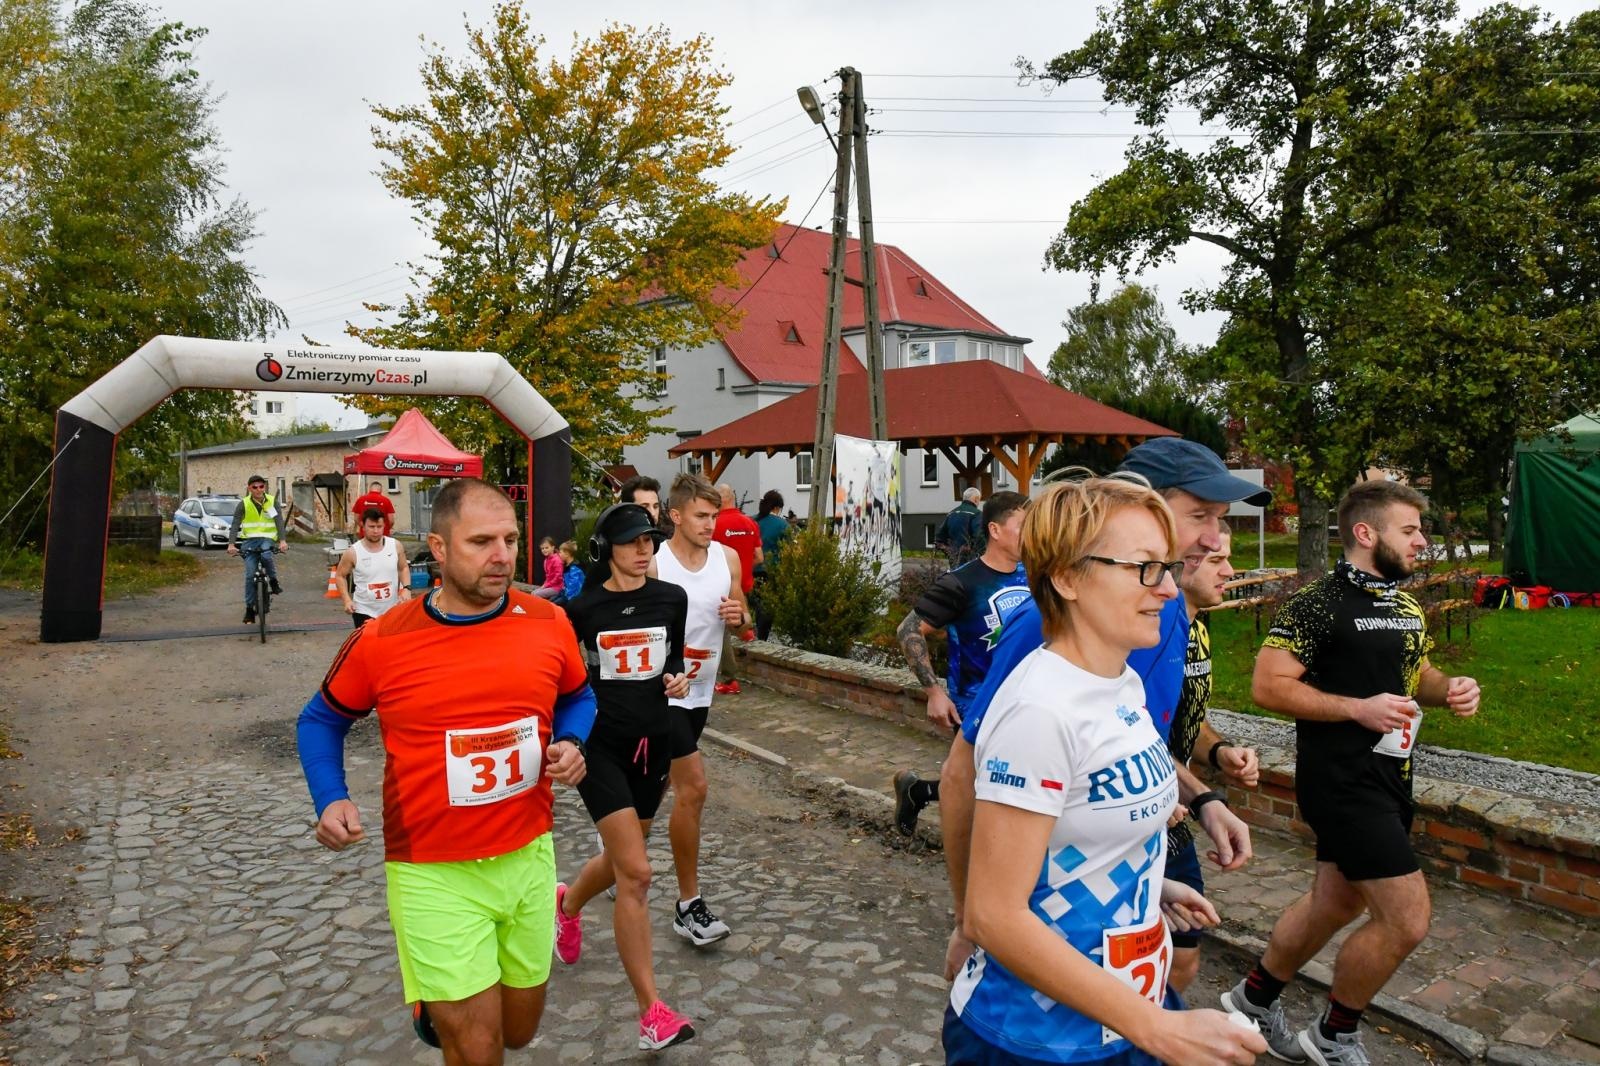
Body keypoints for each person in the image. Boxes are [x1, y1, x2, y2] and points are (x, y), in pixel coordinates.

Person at [949, 477, 1266, 1066]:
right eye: (1145, 568)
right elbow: (992, 914)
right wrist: (1160, 1030)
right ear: (1067, 577)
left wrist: (1146, 888)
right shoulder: (1040, 711)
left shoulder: (1119, 682)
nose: (1169, 589)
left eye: (1168, 567)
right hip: (1036, 1039)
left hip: (1118, 1010)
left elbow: (1076, 826)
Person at [294, 478, 595, 1064]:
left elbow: (579, 696)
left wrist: (571, 740)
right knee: (479, 1050)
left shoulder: (547, 622)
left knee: (518, 1031)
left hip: (529, 857)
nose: (503, 555)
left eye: (510, 539)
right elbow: (319, 720)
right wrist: (330, 798)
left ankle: (435, 1003)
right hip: (432, 873)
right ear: (438, 546)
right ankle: (441, 1002)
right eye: (481, 541)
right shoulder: (383, 639)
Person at [1224, 480, 1481, 1065]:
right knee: (1406, 919)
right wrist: (1355, 708)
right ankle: (1334, 1036)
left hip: (1391, 778)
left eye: (1421, 530)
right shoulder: (1317, 604)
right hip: (1341, 783)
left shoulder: (1405, 605)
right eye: (1410, 530)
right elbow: (1268, 685)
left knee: (1335, 903)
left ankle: (1253, 1000)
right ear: (1366, 534)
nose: (1422, 541)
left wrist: (1453, 690)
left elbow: (1420, 676)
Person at [553, 503, 697, 1050]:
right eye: (634, 540)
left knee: (620, 860)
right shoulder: (581, 610)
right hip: (600, 748)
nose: (645, 549)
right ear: (606, 548)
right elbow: (564, 684)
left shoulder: (671, 599)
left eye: (651, 540)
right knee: (636, 872)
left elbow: (674, 663)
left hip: (653, 745)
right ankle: (651, 1013)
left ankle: (566, 904)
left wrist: (678, 681)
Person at [890, 491, 1032, 835]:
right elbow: (908, 629)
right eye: (1024, 526)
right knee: (989, 785)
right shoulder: (961, 583)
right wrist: (934, 691)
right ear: (996, 531)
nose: (1032, 534)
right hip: (977, 702)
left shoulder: (1035, 575)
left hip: (1027, 700)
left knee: (998, 783)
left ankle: (918, 791)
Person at [650, 472, 750, 946]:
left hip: (702, 689)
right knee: (694, 788)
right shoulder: (654, 562)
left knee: (653, 800)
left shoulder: (726, 558)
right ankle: (689, 906)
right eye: (702, 516)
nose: (712, 524)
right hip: (660, 692)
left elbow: (743, 611)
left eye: (714, 515)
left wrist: (740, 615)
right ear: (676, 516)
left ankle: (574, 895)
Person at [1165, 523, 1261, 993]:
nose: (1231, 570)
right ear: (1183, 562)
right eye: (1220, 560)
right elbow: (1138, 732)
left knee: (1184, 955)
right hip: (1144, 813)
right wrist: (1206, 800)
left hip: (1178, 811)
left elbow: (1189, 722)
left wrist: (1221, 752)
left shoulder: (1198, 624)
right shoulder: (1155, 632)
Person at [710, 483, 762, 693]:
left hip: (721, 588)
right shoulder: (750, 523)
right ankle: (746, 631)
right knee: (739, 621)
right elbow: (759, 557)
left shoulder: (715, 524)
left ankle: (730, 680)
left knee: (719, 631)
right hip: (744, 585)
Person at [336, 507, 413, 628]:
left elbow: (403, 568)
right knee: (367, 646)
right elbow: (340, 576)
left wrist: (407, 588)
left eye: (379, 526)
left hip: (391, 609)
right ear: (363, 526)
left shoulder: (395, 546)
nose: (376, 531)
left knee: (390, 645)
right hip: (364, 611)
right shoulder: (353, 552)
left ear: (384, 526)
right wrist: (346, 600)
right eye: (371, 527)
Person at [227, 474, 287, 625]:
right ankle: (249, 609)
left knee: (267, 556)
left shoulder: (272, 501)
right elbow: (235, 524)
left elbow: (278, 521)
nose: (258, 490)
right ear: (249, 488)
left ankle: (273, 581)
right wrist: (231, 544)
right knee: (249, 575)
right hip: (249, 542)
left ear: (264, 487)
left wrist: (282, 541)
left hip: (267, 540)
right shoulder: (244, 504)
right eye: (255, 487)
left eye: (261, 486)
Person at [752, 490, 791, 641]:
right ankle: (762, 638)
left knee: (755, 604)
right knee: (766, 607)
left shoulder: (752, 521)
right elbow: (788, 550)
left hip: (750, 569)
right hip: (771, 571)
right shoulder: (782, 524)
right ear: (777, 508)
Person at [935, 487, 984, 567]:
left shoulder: (951, 514)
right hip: (971, 562)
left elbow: (939, 539)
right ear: (976, 499)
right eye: (979, 500)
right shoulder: (977, 514)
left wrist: (949, 553)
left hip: (954, 561)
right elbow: (980, 538)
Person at [533, 536, 564, 601]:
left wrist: (546, 585)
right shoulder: (546, 560)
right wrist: (544, 585)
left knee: (536, 594)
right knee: (533, 592)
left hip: (557, 587)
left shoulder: (557, 560)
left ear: (553, 547)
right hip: (550, 586)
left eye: (546, 548)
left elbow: (558, 577)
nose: (544, 550)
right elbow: (548, 576)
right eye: (542, 548)